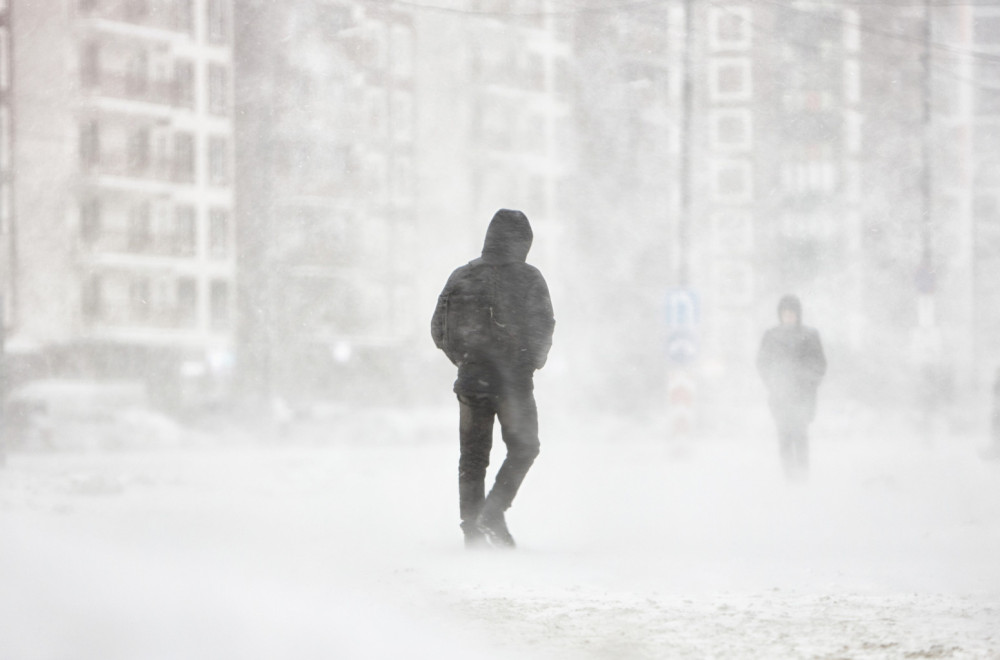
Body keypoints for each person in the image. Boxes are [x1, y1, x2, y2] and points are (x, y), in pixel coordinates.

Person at [431, 209, 555, 548]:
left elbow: (438, 329)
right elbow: (544, 326)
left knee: (472, 458)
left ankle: (472, 531)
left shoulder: (462, 276)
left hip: (472, 383)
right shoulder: (530, 279)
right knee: (525, 447)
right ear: (523, 242)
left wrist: (465, 361)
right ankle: (492, 513)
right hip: (514, 385)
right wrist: (528, 364)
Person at [756, 294, 826, 479]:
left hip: (803, 395)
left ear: (798, 314)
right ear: (780, 315)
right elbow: (762, 363)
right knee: (784, 437)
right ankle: (789, 477)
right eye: (785, 313)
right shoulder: (771, 336)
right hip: (780, 396)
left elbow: (819, 364)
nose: (788, 317)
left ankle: (802, 476)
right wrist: (773, 382)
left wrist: (808, 381)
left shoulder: (810, 336)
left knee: (801, 435)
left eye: (792, 313)